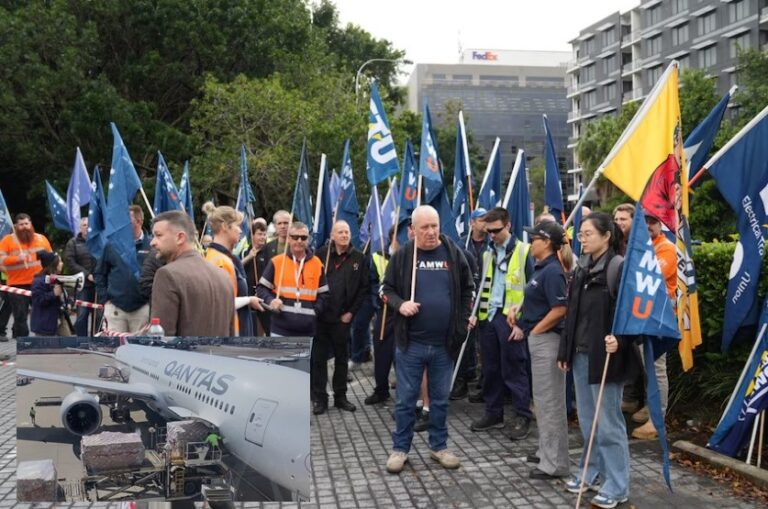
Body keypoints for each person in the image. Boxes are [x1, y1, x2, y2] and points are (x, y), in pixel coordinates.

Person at [558, 211, 641, 509]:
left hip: (607, 357)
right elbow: (573, 312)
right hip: (580, 356)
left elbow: (635, 314)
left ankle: (618, 486)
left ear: (606, 235)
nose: (582, 238)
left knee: (608, 424)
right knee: (588, 422)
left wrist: (621, 339)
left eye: (588, 233)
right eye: (581, 234)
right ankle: (591, 472)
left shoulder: (618, 268)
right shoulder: (581, 267)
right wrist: (564, 352)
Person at [381, 205, 474, 474]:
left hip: (444, 343)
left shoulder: (453, 253)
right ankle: (400, 449)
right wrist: (400, 305)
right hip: (411, 343)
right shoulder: (403, 256)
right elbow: (385, 290)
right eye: (425, 227)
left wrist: (464, 315)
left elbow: (468, 287)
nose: (432, 232)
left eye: (435, 226)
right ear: (413, 230)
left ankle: (439, 446)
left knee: (441, 399)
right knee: (406, 400)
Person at [471, 207, 534, 440]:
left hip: (511, 319)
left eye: (496, 231)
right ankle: (493, 413)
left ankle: (522, 415)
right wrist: (476, 314)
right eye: (488, 231)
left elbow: (532, 292)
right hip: (488, 317)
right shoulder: (487, 253)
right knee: (490, 369)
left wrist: (522, 324)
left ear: (508, 226)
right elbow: (482, 287)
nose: (492, 235)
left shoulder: (524, 251)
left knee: (514, 369)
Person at [513, 221, 569, 480]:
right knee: (542, 401)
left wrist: (535, 330)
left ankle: (554, 463)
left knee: (549, 403)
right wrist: (520, 311)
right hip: (539, 339)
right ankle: (546, 451)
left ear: (546, 242)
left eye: (534, 238)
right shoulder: (541, 269)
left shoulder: (553, 271)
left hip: (547, 340)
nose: (530, 242)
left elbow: (560, 309)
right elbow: (539, 301)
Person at [312, 220, 370, 414]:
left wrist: (351, 312)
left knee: (341, 360)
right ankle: (319, 398)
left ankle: (340, 397)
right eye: (340, 232)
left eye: (347, 232)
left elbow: (364, 288)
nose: (345, 235)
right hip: (320, 318)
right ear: (332, 236)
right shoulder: (320, 255)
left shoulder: (359, 258)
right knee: (318, 360)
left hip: (342, 318)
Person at [149, 210, 235, 336]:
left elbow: (161, 338)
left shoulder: (167, 275)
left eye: (158, 235)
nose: (152, 242)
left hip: (181, 355)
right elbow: (231, 334)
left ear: (180, 238)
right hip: (219, 355)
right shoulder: (223, 276)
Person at [631, 212, 677, 440]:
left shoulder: (666, 248)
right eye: (645, 221)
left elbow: (647, 276)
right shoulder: (642, 246)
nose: (649, 225)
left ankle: (656, 421)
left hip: (659, 318)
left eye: (653, 222)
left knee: (656, 368)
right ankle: (650, 407)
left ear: (661, 224)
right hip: (643, 316)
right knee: (646, 365)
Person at [257, 222, 329, 337]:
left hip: (307, 330)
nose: (299, 241)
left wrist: (315, 311)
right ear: (289, 239)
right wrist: (271, 301)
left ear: (308, 240)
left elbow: (324, 294)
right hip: (280, 328)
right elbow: (261, 289)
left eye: (303, 237)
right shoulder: (277, 262)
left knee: (303, 356)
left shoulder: (317, 263)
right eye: (295, 237)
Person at [203, 202, 263, 337]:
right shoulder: (218, 260)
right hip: (229, 335)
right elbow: (221, 303)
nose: (241, 230)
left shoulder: (228, 258)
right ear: (225, 226)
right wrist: (249, 300)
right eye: (238, 225)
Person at [94, 205, 151, 333]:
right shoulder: (112, 245)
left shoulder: (152, 246)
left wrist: (151, 303)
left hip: (142, 308)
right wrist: (105, 300)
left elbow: (158, 276)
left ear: (139, 221)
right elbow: (99, 273)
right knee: (116, 349)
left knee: (140, 349)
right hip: (115, 308)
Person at [0, 214, 53, 337]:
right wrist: (16, 258)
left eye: (26, 224)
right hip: (16, 285)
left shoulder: (41, 239)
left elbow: (51, 259)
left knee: (41, 313)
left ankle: (41, 340)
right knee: (20, 316)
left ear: (31, 224)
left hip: (38, 283)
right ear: (16, 226)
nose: (24, 227)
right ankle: (23, 342)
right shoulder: (7, 240)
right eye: (21, 224)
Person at [364, 226, 398, 405]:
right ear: (391, 237)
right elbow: (372, 284)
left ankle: (404, 391)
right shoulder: (378, 256)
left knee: (402, 354)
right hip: (384, 311)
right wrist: (380, 300)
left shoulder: (412, 256)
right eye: (396, 236)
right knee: (382, 351)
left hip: (404, 314)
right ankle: (381, 390)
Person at [63, 217, 97, 336]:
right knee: (82, 315)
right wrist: (87, 275)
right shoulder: (73, 243)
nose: (87, 227)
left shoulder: (99, 241)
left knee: (98, 315)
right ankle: (81, 341)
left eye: (89, 225)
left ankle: (96, 341)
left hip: (98, 284)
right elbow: (70, 262)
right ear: (80, 227)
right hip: (83, 285)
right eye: (84, 225)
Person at [242, 220, 271, 335]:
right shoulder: (245, 251)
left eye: (264, 234)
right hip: (249, 294)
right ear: (252, 235)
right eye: (259, 234)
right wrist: (249, 257)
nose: (262, 237)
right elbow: (238, 268)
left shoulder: (269, 251)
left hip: (264, 294)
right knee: (251, 325)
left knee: (264, 326)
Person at [31, 251, 64, 336]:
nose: (62, 263)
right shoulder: (39, 281)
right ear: (53, 264)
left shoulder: (56, 279)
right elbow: (38, 300)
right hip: (43, 327)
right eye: (59, 261)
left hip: (53, 324)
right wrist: (53, 294)